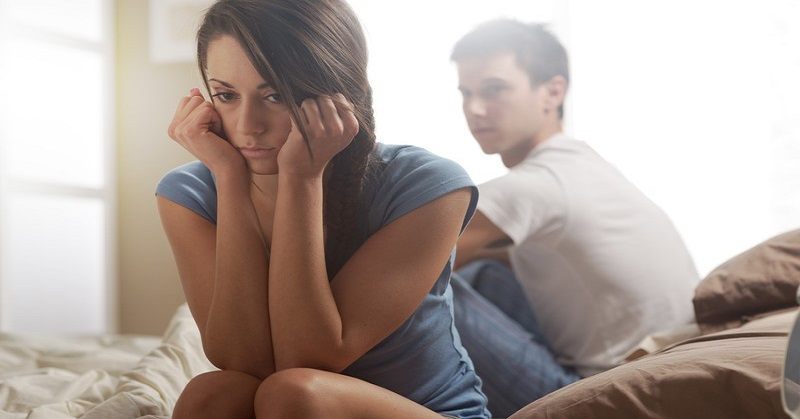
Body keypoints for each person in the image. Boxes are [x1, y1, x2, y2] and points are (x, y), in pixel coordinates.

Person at [154, 1, 491, 418]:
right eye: (226, 95)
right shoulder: (190, 193)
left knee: (295, 392)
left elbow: (307, 359)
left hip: (424, 411)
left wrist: (302, 178)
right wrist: (229, 179)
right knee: (214, 394)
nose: (247, 125)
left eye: (276, 95)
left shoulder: (427, 185)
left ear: (341, 94)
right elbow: (243, 362)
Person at [449, 19, 699, 417]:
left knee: (432, 284)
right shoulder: (578, 165)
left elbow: (409, 260)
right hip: (663, 367)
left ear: (553, 91)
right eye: (466, 93)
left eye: (494, 90)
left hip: (606, 396)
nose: (474, 109)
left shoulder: (537, 185)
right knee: (484, 271)